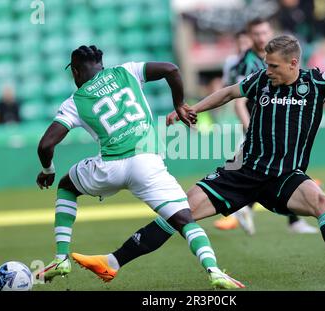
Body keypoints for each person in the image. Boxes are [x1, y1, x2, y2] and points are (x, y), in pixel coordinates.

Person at [83, 16, 325, 283]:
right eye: (266, 65)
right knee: (178, 211)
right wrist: (193, 108)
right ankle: (111, 263)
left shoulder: (315, 84)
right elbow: (229, 93)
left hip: (283, 177)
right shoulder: (262, 80)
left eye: (273, 66)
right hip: (241, 172)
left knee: (321, 200)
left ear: (293, 63)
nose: (268, 71)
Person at [35, 45, 244, 289]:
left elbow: (45, 145)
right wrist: (179, 104)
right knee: (185, 220)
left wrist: (48, 170)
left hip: (108, 168)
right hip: (146, 164)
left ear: (77, 72)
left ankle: (61, 258)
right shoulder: (127, 71)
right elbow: (171, 69)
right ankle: (214, 271)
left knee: (66, 186)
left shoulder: (74, 102)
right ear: (101, 65)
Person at [216, 17, 318, 235]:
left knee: (282, 170)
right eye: (256, 34)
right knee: (254, 170)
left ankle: (250, 210)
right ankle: (237, 207)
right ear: (249, 36)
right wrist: (250, 129)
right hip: (260, 128)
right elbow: (238, 102)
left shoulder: (279, 54)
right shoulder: (245, 63)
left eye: (264, 33)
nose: (261, 37)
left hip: (280, 125)